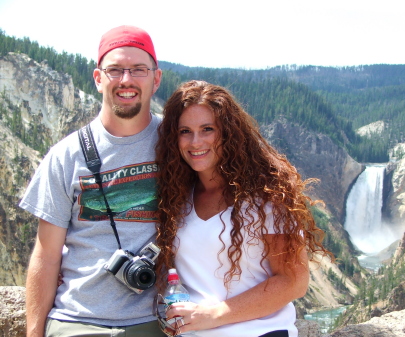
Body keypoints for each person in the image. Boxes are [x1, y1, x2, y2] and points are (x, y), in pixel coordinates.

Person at [154, 80, 334, 337]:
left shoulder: (266, 196)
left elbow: (293, 282)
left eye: (207, 129)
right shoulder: (178, 196)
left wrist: (212, 315)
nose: (195, 142)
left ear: (228, 132)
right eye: (185, 131)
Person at [20, 25, 165, 337]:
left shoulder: (182, 144)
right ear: (99, 79)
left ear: (156, 79)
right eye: (115, 70)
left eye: (139, 69)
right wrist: (34, 332)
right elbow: (46, 255)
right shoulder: (65, 156)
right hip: (76, 321)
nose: (126, 80)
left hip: (157, 323)